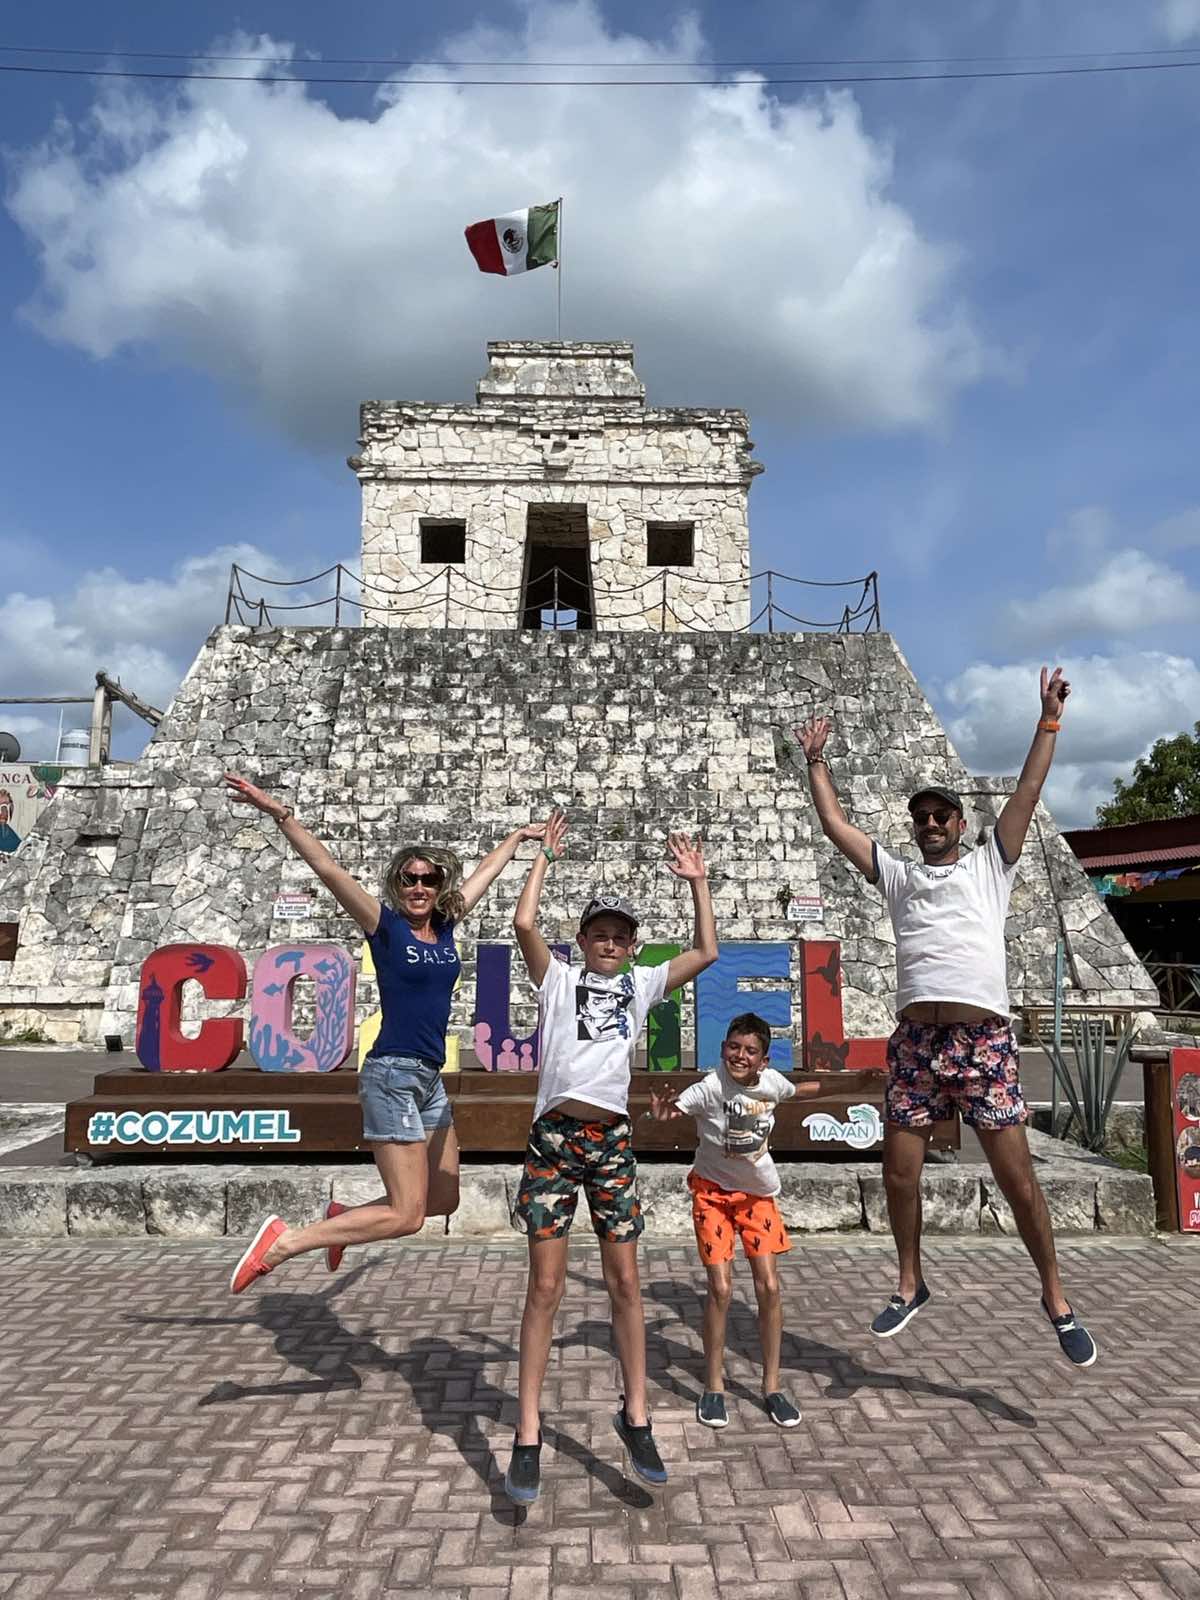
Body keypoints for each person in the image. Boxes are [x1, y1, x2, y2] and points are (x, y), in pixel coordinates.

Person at [796, 667, 1097, 1368]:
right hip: (917, 1044)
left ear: (961, 824)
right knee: (899, 1175)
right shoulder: (898, 875)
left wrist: (1048, 720)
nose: (930, 826)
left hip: (981, 1041)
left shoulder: (991, 866)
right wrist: (815, 761)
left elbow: (1027, 790)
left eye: (941, 817)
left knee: (1017, 1180)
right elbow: (835, 824)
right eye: (921, 819)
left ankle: (1055, 1297)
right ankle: (911, 1280)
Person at [222, 771, 548, 1294]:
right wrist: (279, 811)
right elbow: (326, 867)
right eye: (409, 879)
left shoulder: (444, 927)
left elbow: (484, 875)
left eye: (430, 879)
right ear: (397, 886)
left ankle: (342, 1219)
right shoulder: (385, 926)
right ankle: (284, 1241)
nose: (420, 887)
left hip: (428, 1079)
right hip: (392, 1073)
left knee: (443, 1200)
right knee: (406, 1215)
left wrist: (515, 840)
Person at [503, 814, 718, 1504]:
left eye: (620, 937)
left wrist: (699, 884)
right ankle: (529, 1431)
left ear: (632, 948)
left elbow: (706, 951)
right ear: (584, 941)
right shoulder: (558, 981)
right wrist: (540, 856)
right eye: (599, 933)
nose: (609, 943)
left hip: (612, 1144)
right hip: (554, 1142)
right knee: (545, 1289)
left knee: (627, 1285)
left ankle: (636, 1416)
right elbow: (523, 924)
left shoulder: (643, 984)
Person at [648, 1012, 821, 1429]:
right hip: (711, 1196)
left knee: (770, 1286)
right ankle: (713, 1387)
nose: (739, 1056)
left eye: (750, 1051)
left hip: (757, 1198)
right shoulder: (710, 1087)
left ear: (764, 1060)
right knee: (721, 1288)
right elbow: (672, 1111)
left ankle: (773, 1386)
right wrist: (659, 1115)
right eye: (733, 1047)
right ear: (723, 1047)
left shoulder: (773, 1084)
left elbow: (799, 1091)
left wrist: (858, 1083)